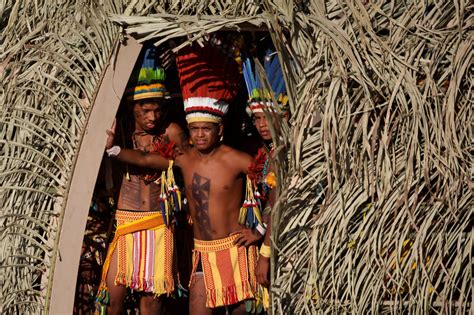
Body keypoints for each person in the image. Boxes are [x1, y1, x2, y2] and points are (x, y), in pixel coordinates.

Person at [105, 41, 268, 314]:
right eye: (196, 129)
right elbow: (147, 160)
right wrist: (114, 149)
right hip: (202, 251)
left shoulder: (237, 159)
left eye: (207, 129)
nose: (200, 134)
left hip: (236, 249)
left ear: (220, 130)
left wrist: (260, 232)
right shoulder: (184, 157)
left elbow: (276, 187)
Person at [95, 45, 188, 315]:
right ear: (132, 106)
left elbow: (180, 161)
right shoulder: (119, 131)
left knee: (153, 301)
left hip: (159, 223)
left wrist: (117, 151)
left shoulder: (172, 132)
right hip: (126, 220)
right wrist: (111, 147)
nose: (152, 117)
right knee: (113, 298)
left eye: (157, 110)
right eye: (145, 110)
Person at [242, 48, 290, 289]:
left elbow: (278, 203)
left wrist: (264, 253)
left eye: (267, 118)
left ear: (283, 117)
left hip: (287, 241)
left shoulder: (283, 153)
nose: (261, 124)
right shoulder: (268, 150)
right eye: (257, 119)